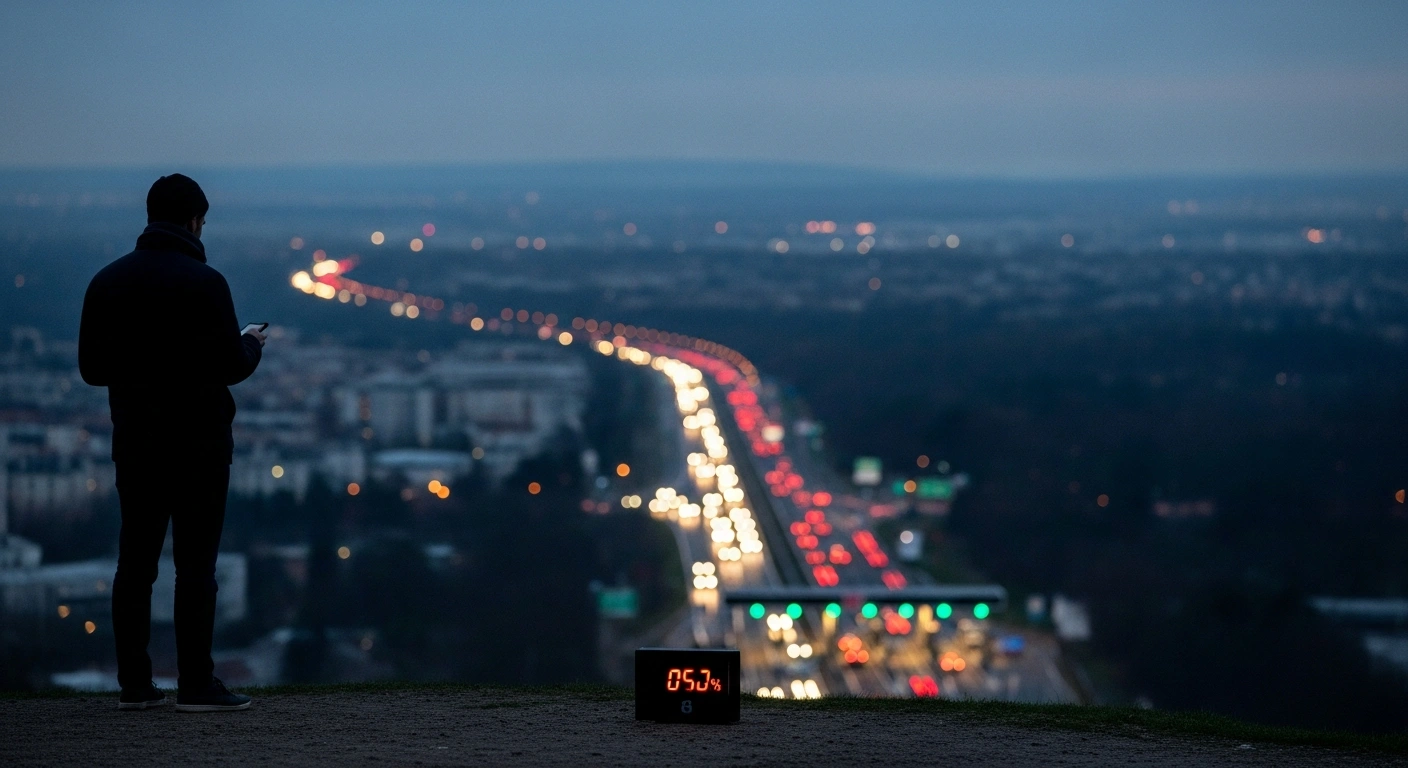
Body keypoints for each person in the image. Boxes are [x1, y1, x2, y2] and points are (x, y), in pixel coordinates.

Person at [79, 174, 265, 712]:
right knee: (196, 568)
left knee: (135, 565)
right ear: (193, 220)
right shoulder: (206, 283)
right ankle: (196, 684)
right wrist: (250, 346)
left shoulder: (107, 282)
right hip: (201, 445)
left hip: (136, 442)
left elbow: (92, 369)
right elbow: (230, 367)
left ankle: (135, 686)